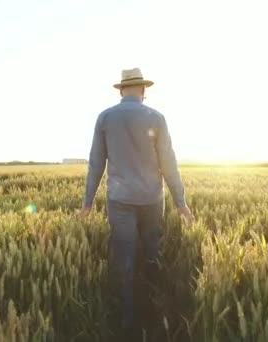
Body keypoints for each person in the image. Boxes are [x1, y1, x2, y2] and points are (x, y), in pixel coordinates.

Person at [81, 67, 195, 336]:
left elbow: (96, 164)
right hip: (152, 199)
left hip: (119, 199)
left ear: (121, 90)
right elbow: (169, 163)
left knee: (124, 258)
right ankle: (156, 310)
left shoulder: (105, 118)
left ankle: (127, 320)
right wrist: (181, 203)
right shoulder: (156, 118)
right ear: (143, 90)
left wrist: (87, 203)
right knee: (152, 253)